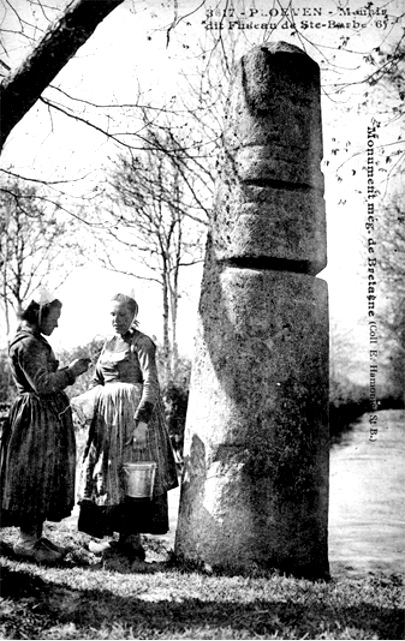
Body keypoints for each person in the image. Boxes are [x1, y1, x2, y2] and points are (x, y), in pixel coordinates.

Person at [76, 293, 178, 563]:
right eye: (112, 314)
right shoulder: (107, 344)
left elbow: (151, 384)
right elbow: (99, 381)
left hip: (133, 418)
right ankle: (113, 539)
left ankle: (132, 542)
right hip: (108, 423)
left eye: (122, 314)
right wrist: (88, 402)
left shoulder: (142, 343)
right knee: (108, 474)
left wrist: (142, 421)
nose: (116, 320)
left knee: (135, 475)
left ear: (133, 316)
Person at [0, 295, 91, 563]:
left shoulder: (34, 341)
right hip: (34, 419)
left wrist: (66, 372)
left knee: (42, 476)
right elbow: (42, 384)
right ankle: (27, 542)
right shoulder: (28, 344)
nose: (57, 325)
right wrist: (71, 372)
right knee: (33, 477)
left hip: (40, 417)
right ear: (39, 315)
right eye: (55, 319)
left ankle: (35, 538)